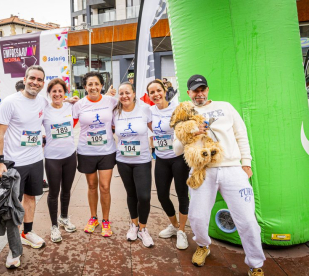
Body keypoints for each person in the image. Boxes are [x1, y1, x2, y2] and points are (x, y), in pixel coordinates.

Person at [174, 75, 265, 276]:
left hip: (232, 168)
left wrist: (246, 163)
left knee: (248, 220)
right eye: (195, 90)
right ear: (188, 93)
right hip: (201, 172)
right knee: (197, 217)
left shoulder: (226, 107)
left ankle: (256, 264)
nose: (199, 94)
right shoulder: (184, 113)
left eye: (202, 89)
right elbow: (176, 150)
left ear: (207, 89)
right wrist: (192, 132)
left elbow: (241, 134)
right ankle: (203, 246)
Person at [0, 65, 49, 267]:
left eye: (39, 79)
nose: (35, 82)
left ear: (43, 83)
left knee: (31, 198)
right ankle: (14, 250)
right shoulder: (10, 102)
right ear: (25, 79)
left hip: (35, 159)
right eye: (32, 78)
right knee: (12, 206)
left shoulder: (43, 101)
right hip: (14, 163)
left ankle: (27, 232)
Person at [72, 71, 117, 237]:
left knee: (105, 187)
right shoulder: (79, 105)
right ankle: (93, 217)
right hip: (86, 150)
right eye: (90, 84)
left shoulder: (111, 101)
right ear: (85, 87)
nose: (93, 87)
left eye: (96, 84)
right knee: (92, 186)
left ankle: (106, 220)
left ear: (101, 86)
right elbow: (68, 122)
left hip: (106, 151)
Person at [147, 79, 190, 250]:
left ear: (165, 90)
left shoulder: (177, 108)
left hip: (178, 158)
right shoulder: (149, 111)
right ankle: (173, 225)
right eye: (152, 92)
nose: (156, 94)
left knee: (181, 194)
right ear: (149, 95)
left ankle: (182, 231)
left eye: (158, 90)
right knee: (162, 195)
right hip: (161, 158)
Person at [113, 81, 154, 247]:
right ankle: (134, 225)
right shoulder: (115, 111)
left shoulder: (145, 109)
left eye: (127, 93)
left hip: (142, 159)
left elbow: (156, 129)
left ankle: (143, 229)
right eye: (121, 93)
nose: (124, 96)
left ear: (134, 93)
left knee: (144, 196)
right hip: (123, 160)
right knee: (131, 194)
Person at [43, 78, 78, 243]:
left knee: (66, 190)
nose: (57, 94)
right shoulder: (44, 109)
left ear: (65, 93)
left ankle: (64, 218)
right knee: (53, 192)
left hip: (70, 155)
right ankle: (54, 226)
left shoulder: (71, 107)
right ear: (49, 94)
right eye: (54, 91)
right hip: (52, 158)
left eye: (60, 91)